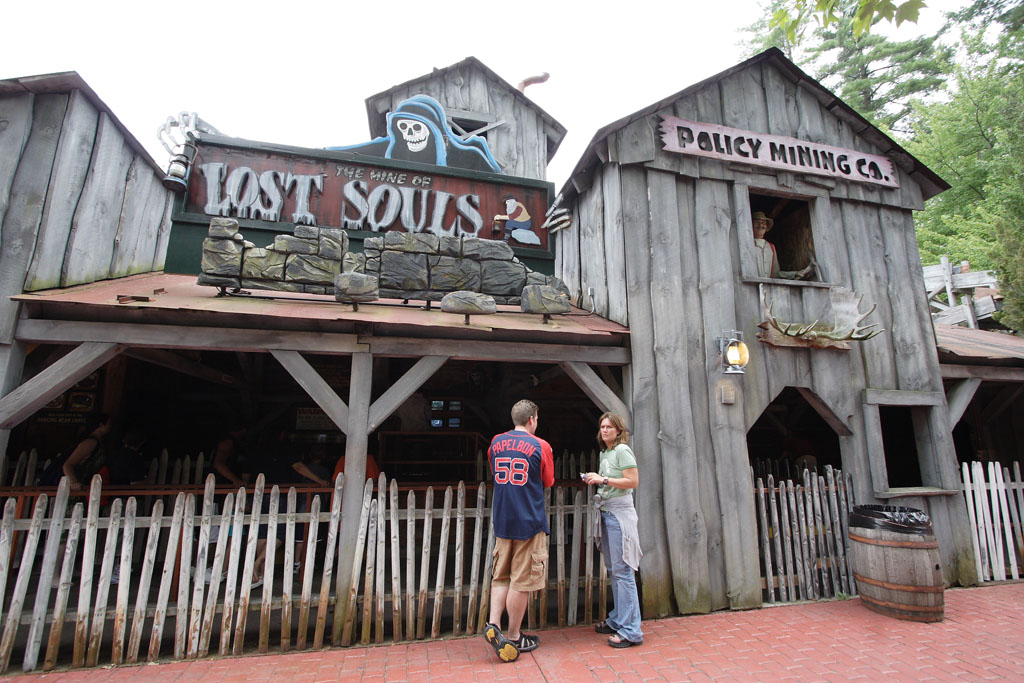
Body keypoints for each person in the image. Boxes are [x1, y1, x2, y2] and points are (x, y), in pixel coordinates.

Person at [483, 399, 554, 662]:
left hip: (503, 519)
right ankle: (513, 636)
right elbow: (548, 480)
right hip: (529, 521)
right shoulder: (540, 445)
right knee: (521, 581)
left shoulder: (495, 442)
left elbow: (494, 472)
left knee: (500, 575)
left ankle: (493, 624)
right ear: (532, 419)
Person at [584, 412, 644, 648]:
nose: (605, 430)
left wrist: (603, 480)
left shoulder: (622, 451)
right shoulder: (606, 453)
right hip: (607, 511)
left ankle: (631, 630)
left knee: (623, 570)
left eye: (609, 427)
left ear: (619, 430)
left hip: (620, 514)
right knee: (614, 569)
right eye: (602, 427)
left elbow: (633, 481)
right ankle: (619, 619)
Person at [56, 413, 113, 491]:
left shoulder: (99, 442)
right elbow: (68, 465)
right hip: (79, 487)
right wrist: (74, 483)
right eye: (109, 423)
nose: (110, 426)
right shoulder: (91, 442)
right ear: (101, 425)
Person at [751, 211, 813, 279]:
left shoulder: (771, 247)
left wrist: (795, 274)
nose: (761, 225)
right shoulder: (747, 245)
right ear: (750, 225)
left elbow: (775, 274)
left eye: (763, 223)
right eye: (757, 223)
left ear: (766, 227)